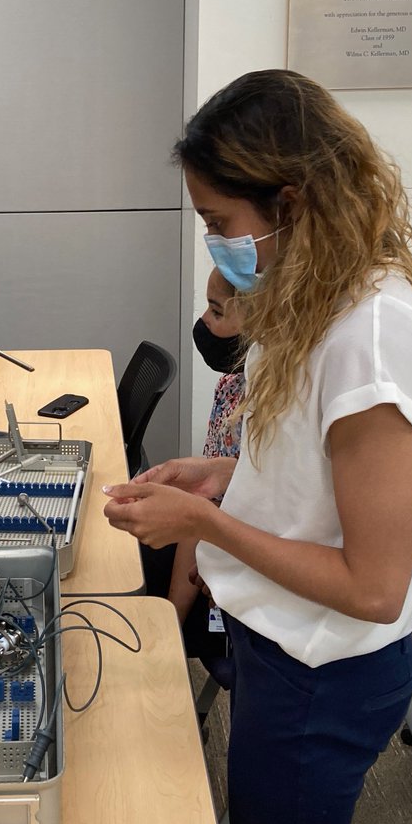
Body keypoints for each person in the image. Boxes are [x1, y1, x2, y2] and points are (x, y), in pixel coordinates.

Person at [104, 69, 412, 824]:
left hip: (321, 674)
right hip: (282, 650)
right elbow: (318, 487)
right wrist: (218, 476)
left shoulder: (371, 340)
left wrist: (204, 528)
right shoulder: (324, 297)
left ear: (290, 202)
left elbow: (373, 584)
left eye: (220, 218)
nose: (215, 245)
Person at [167, 267, 245, 653]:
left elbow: (208, 516)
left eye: (216, 311)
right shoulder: (232, 385)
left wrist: (169, 626)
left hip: (235, 571)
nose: (203, 322)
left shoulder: (274, 408)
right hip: (214, 548)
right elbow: (209, 497)